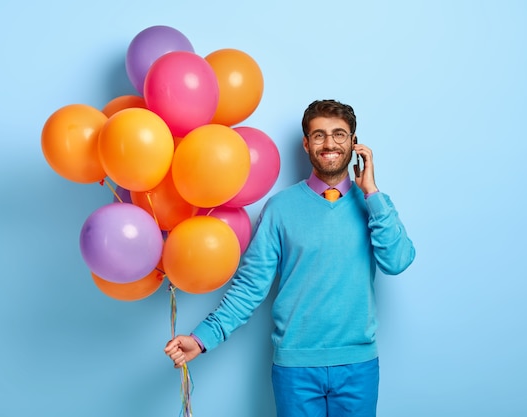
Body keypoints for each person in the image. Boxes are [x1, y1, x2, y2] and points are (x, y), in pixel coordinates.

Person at [165, 99, 416, 417]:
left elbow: (398, 261)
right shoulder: (280, 209)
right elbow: (250, 287)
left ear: (354, 143)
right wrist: (201, 339)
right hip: (295, 370)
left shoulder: (375, 204)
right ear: (307, 143)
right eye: (320, 135)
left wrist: (373, 193)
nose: (329, 144)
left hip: (358, 366)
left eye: (339, 134)